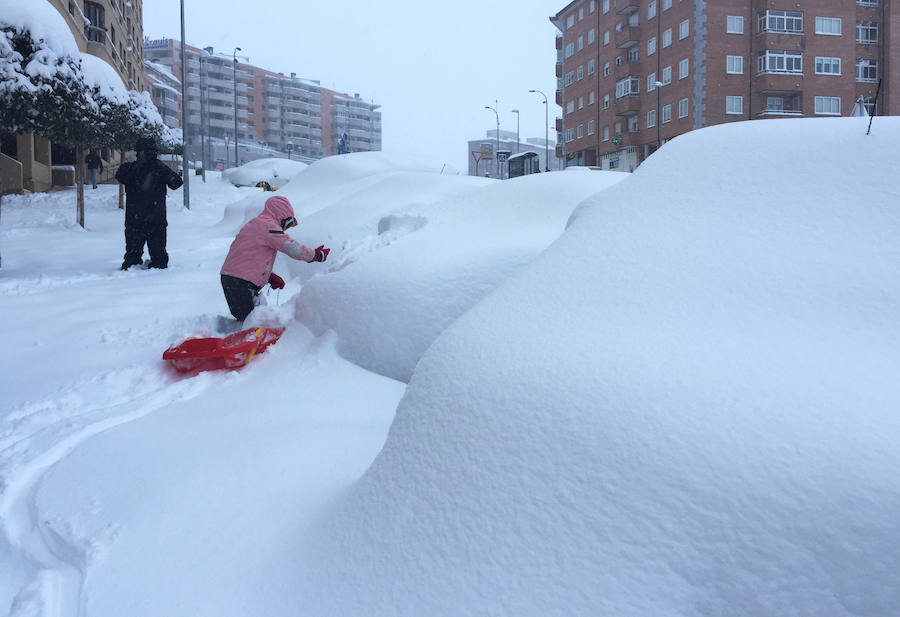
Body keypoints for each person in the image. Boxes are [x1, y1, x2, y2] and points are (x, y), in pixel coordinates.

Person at [220, 195, 330, 322]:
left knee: (249, 316)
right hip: (242, 282)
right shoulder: (269, 226)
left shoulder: (255, 224)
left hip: (230, 278)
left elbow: (247, 257)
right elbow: (291, 247)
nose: (285, 229)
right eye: (288, 223)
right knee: (254, 320)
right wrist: (315, 255)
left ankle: (243, 338)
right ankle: (247, 341)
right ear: (281, 216)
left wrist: (268, 276)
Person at [115, 137, 183, 270]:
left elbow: (176, 183)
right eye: (148, 152)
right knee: (149, 258)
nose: (150, 155)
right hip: (151, 218)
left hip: (141, 218)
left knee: (144, 257)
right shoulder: (145, 168)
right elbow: (176, 183)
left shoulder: (154, 168)